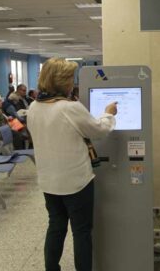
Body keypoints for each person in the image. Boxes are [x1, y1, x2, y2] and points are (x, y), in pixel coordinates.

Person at [27, 57, 117, 271]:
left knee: (56, 227)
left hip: (49, 181)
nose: (72, 82)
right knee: (81, 232)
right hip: (76, 182)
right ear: (63, 82)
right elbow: (99, 130)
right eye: (70, 78)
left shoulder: (33, 107)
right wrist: (108, 113)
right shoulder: (70, 108)